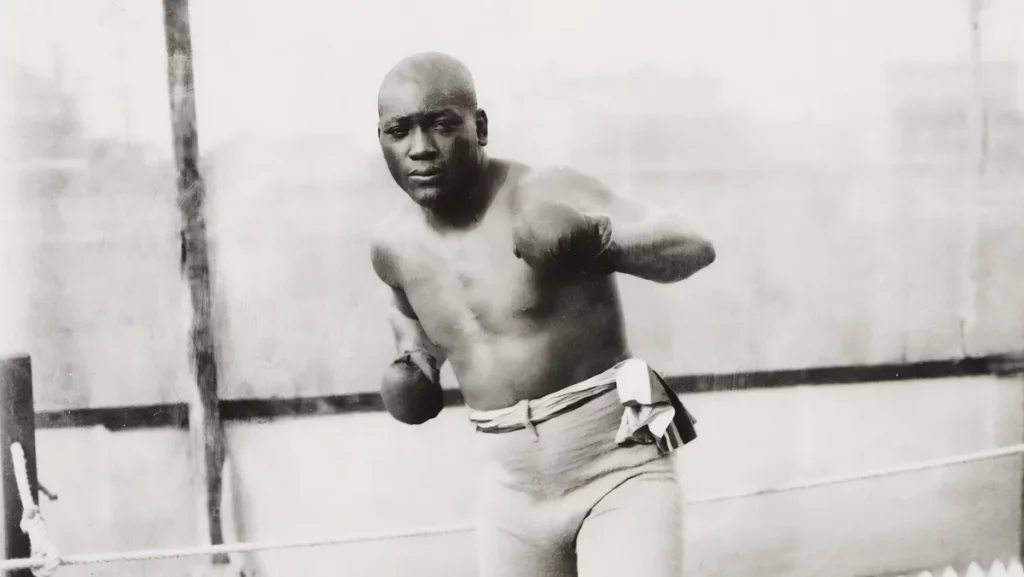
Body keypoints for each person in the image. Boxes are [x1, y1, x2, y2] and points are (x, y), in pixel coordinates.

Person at [369, 52, 716, 577]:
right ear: (382, 141)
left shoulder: (545, 189)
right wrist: (414, 364)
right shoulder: (392, 247)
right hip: (512, 495)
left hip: (619, 471)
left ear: (479, 127)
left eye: (441, 125)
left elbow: (694, 245)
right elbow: (411, 328)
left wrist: (601, 242)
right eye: (400, 131)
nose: (421, 149)